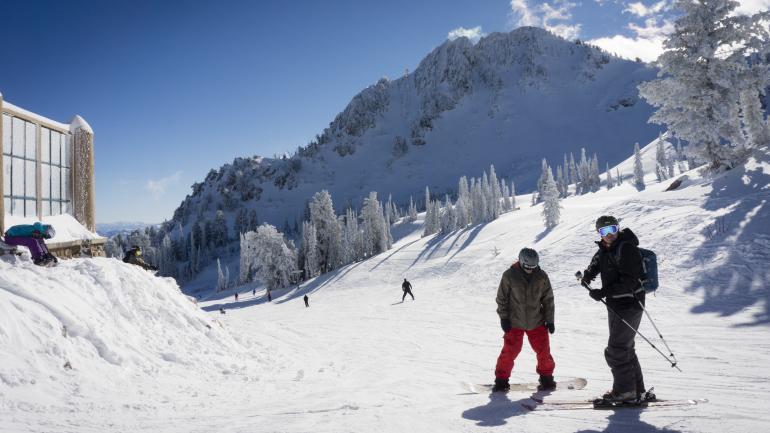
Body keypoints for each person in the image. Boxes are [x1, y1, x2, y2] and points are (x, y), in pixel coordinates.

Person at [580, 215, 647, 403]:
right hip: (616, 303)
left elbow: (630, 281)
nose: (609, 235)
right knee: (625, 348)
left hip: (630, 303)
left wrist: (603, 292)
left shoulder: (627, 249)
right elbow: (597, 263)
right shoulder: (605, 249)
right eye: (604, 231)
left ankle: (625, 392)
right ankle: (636, 390)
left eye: (612, 230)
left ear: (618, 229)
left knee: (616, 350)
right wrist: (587, 276)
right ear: (599, 234)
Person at [492, 247, 556, 392]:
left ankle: (546, 378)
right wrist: (504, 318)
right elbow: (501, 298)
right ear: (521, 262)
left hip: (537, 321)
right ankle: (501, 380)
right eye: (527, 266)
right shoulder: (509, 275)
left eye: (533, 267)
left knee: (544, 352)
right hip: (515, 322)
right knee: (509, 352)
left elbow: (548, 300)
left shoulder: (541, 276)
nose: (530, 269)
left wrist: (550, 320)